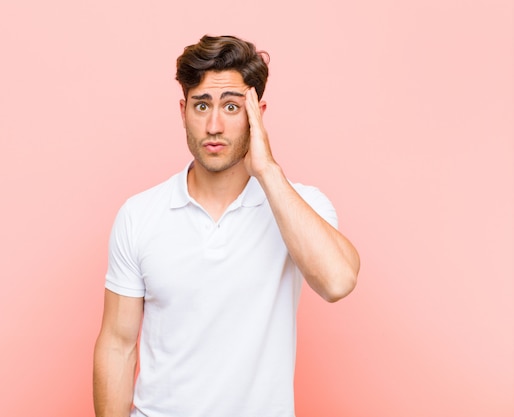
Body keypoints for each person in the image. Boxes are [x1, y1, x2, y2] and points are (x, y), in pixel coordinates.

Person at [93, 35, 360, 417]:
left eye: (231, 106)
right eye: (202, 105)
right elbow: (117, 345)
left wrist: (267, 171)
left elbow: (337, 282)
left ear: (257, 113)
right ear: (183, 111)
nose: (214, 125)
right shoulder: (140, 214)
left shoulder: (300, 205)